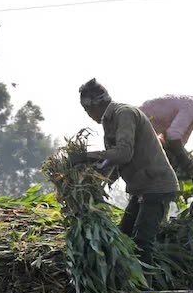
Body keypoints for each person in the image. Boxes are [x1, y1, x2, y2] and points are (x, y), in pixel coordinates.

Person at [71, 78, 179, 264]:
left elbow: (123, 153)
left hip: (156, 186)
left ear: (96, 104)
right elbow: (113, 163)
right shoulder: (110, 121)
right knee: (124, 237)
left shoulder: (124, 114)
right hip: (142, 188)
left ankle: (146, 292)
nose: (88, 115)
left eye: (87, 110)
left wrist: (86, 156)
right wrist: (93, 184)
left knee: (142, 242)